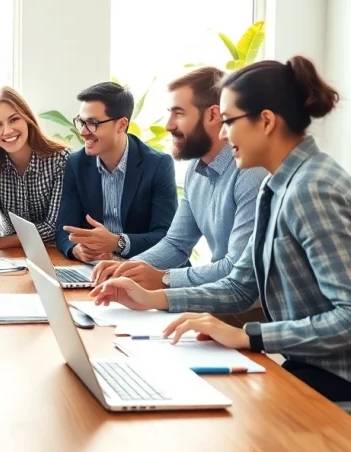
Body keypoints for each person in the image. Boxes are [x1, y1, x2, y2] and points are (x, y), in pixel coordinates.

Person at [90, 56, 351, 435]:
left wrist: (249, 336)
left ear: (266, 121)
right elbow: (242, 284)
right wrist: (151, 297)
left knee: (231, 429)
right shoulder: (276, 185)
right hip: (317, 364)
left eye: (229, 122)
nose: (223, 135)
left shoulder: (313, 191)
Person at [91, 67, 268, 326]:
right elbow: (176, 243)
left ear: (213, 115)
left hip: (251, 308)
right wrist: (127, 269)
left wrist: (165, 279)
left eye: (179, 113)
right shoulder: (196, 170)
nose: (168, 125)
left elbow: (235, 268)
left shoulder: (251, 173)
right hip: (219, 297)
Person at [55, 82, 178, 263]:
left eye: (92, 123)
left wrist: (118, 243)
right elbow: (64, 229)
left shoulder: (158, 164)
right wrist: (76, 249)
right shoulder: (76, 163)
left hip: (145, 267)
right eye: (81, 122)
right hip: (96, 267)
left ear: (121, 124)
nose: (82, 132)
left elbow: (166, 237)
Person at [0, 87, 70, 261]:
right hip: (12, 257)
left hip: (53, 253)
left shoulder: (61, 160)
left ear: (27, 119)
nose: (7, 131)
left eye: (14, 119)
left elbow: (52, 228)